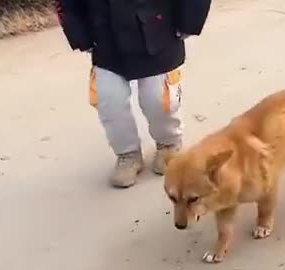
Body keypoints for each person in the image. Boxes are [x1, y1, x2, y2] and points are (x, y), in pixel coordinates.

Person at [55, 0, 212, 188]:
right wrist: (80, 35)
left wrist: (190, 21)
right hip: (106, 39)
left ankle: (169, 144)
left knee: (158, 100)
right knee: (108, 100)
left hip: (159, 31)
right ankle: (127, 154)